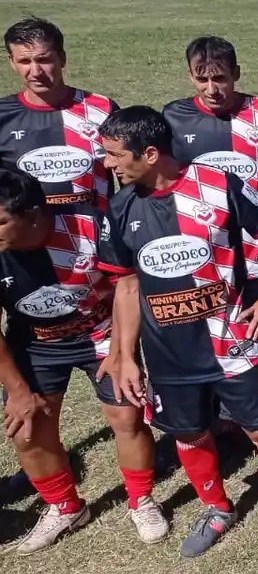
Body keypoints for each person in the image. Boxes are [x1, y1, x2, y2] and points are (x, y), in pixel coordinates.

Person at [95, 106, 258, 557]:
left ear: (150, 153)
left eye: (115, 155)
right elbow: (128, 285)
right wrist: (126, 355)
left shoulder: (217, 184)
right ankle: (216, 507)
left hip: (230, 342)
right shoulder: (119, 207)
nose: (108, 165)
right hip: (169, 354)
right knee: (189, 433)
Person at [0, 169, 164, 552]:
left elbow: (127, 283)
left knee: (126, 414)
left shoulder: (92, 224)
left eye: (2, 220)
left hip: (102, 330)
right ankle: (65, 507)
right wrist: (18, 390)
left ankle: (142, 500)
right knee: (26, 429)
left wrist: (123, 354)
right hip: (36, 342)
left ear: (34, 213)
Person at [163, 36, 258, 445]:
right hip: (203, 257)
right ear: (190, 76)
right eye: (202, 80)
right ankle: (219, 418)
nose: (212, 88)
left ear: (236, 74)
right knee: (207, 335)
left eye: (220, 78)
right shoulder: (173, 118)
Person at [0, 17, 116, 214]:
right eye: (24, 61)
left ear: (62, 58)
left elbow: (133, 182)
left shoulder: (102, 109)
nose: (35, 71)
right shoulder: (3, 116)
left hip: (96, 239)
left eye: (44, 60)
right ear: (12, 62)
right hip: (28, 242)